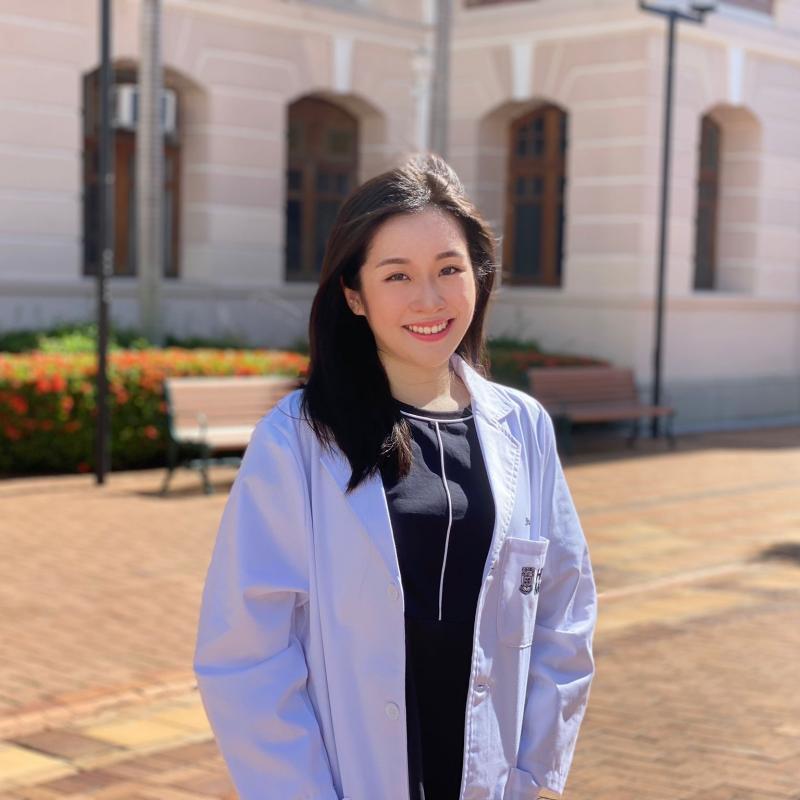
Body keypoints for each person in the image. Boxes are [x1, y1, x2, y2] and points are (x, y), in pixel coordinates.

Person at [193, 154, 597, 800]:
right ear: (354, 294)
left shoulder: (522, 427)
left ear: (479, 276)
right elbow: (246, 650)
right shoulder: (298, 439)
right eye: (397, 276)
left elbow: (563, 610)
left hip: (489, 779)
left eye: (448, 270)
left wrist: (533, 775)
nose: (429, 299)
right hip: (350, 779)